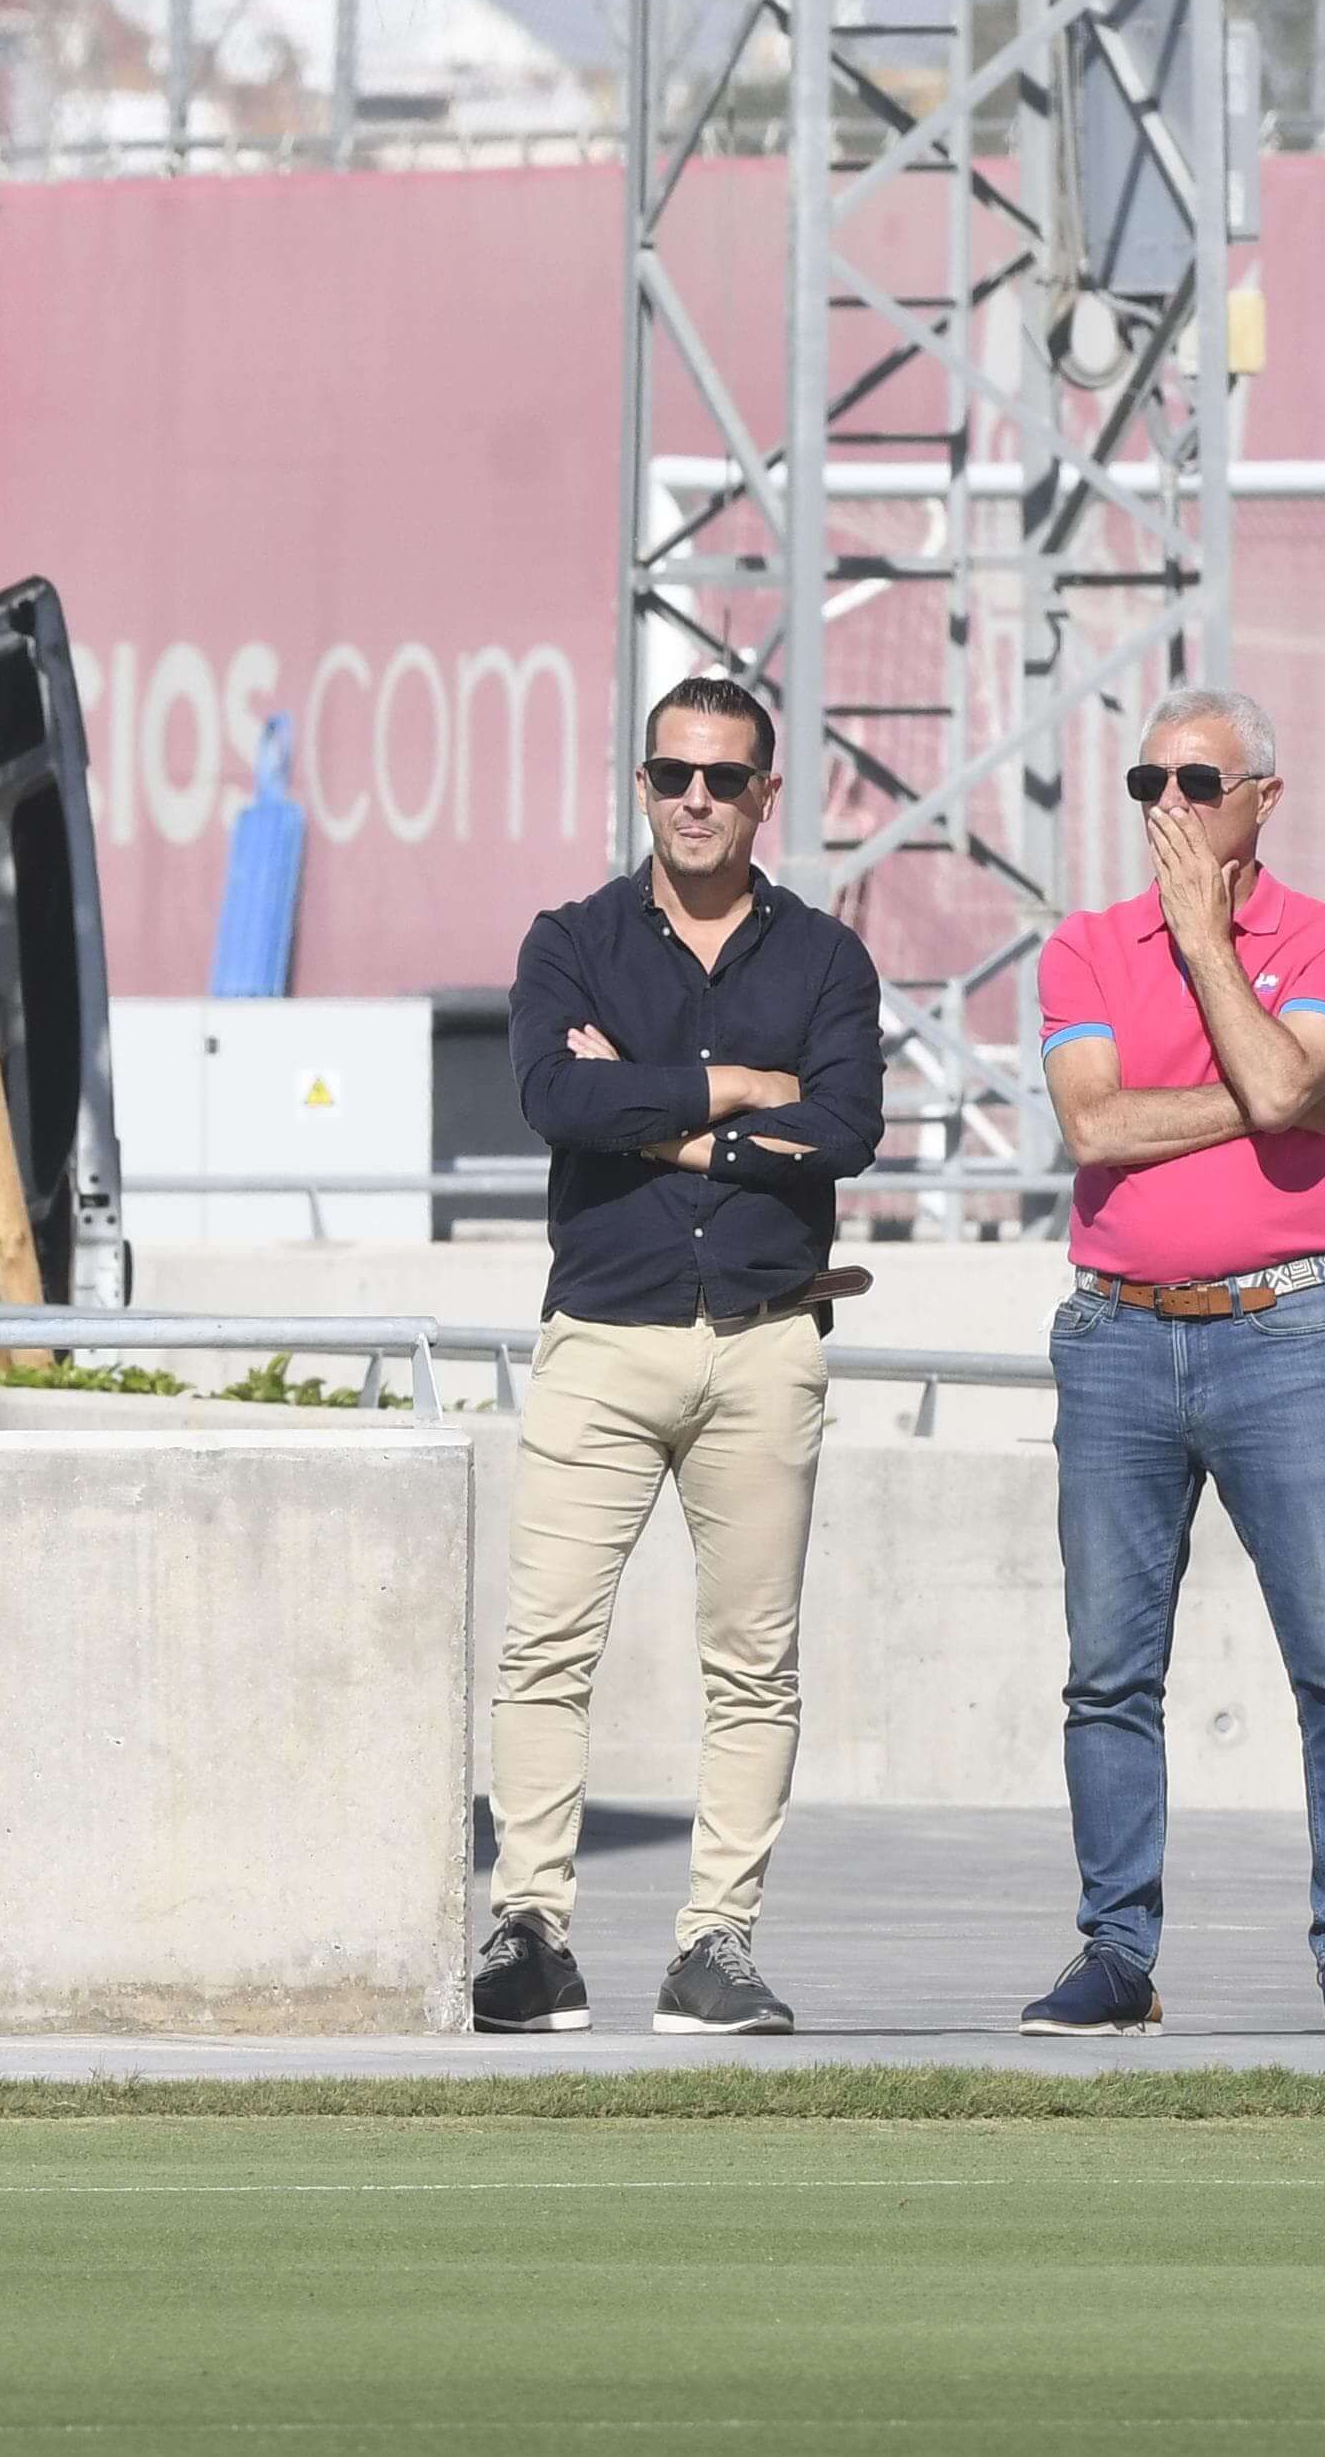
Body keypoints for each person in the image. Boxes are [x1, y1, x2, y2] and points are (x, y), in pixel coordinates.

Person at [472, 673, 884, 2038]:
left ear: (767, 794)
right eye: (671, 775)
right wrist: (742, 1089)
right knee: (543, 1646)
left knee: (754, 1665)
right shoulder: (570, 942)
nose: (694, 799)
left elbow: (843, 1131)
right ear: (640, 782)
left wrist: (650, 1119)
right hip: (601, 1339)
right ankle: (529, 1934)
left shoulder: (825, 960)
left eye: (722, 778)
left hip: (763, 1345)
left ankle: (715, 1945)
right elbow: (553, 1098)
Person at [1020, 686, 1325, 2038]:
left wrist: (1205, 948)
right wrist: (1268, 1096)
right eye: (1150, 784)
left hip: (1283, 1333)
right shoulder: (1081, 946)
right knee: (1107, 1673)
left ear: (1261, 799)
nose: (1169, 809)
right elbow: (1095, 1127)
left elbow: (1299, 1085)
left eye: (1197, 783)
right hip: (1115, 1335)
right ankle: (1114, 1955)